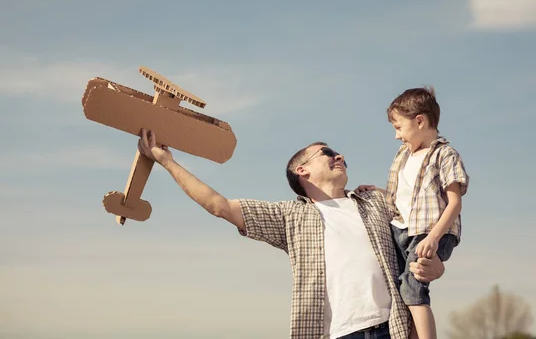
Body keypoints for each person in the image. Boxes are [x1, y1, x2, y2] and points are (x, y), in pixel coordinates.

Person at [137, 128, 445, 339]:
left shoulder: (376, 201)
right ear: (302, 170)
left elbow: (422, 235)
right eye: (328, 153)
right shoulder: (290, 216)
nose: (339, 156)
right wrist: (166, 161)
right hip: (336, 333)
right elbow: (218, 205)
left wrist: (437, 265)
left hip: (394, 328)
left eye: (339, 153)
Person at [378, 87, 468, 339]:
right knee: (400, 291)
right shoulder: (403, 156)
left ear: (419, 121)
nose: (396, 136)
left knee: (414, 287)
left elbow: (454, 203)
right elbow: (402, 194)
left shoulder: (444, 155)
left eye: (398, 127)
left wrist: (433, 238)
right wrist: (375, 190)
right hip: (402, 230)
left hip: (430, 231)